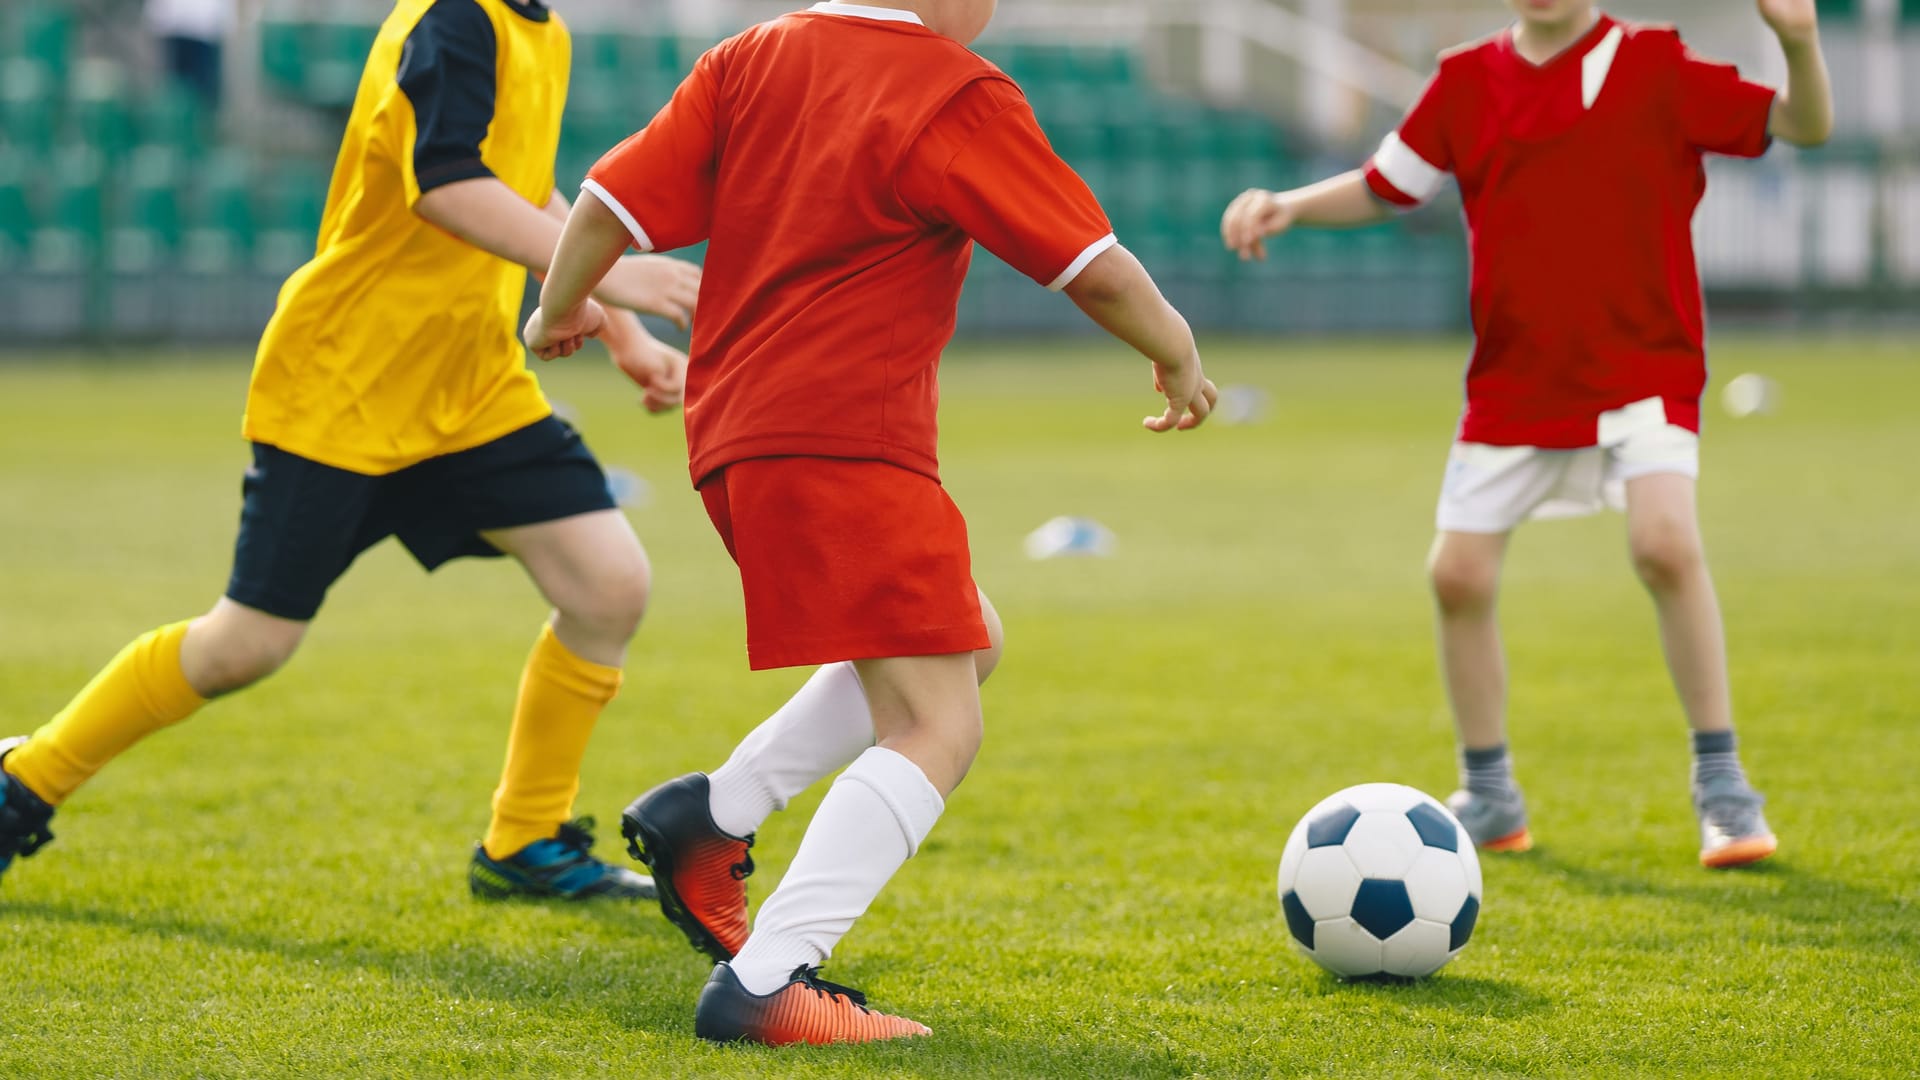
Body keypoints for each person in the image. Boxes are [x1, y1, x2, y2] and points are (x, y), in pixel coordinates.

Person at [529, 0, 1218, 1045]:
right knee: (938, 723)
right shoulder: (952, 90)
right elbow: (1093, 265)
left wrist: (558, 308)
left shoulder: (748, 57)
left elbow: (605, 202)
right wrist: (1176, 349)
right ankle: (769, 979)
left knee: (968, 637)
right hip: (846, 445)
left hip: (734, 439)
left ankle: (712, 815)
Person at [0, 0, 704, 901]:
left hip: (469, 388)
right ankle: (28, 778)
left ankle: (524, 841)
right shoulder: (454, 18)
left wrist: (615, 330)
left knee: (608, 584)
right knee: (246, 645)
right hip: (347, 385)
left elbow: (521, 188)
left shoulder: (543, 29)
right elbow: (445, 183)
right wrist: (611, 272)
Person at [1221, 0, 1832, 868]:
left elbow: (1802, 126)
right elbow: (1389, 183)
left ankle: (1725, 787)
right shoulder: (1465, 80)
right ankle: (1490, 792)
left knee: (1664, 545)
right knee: (1457, 575)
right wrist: (1288, 205)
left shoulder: (1655, 66)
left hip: (1643, 367)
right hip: (1516, 382)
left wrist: (1799, 42)